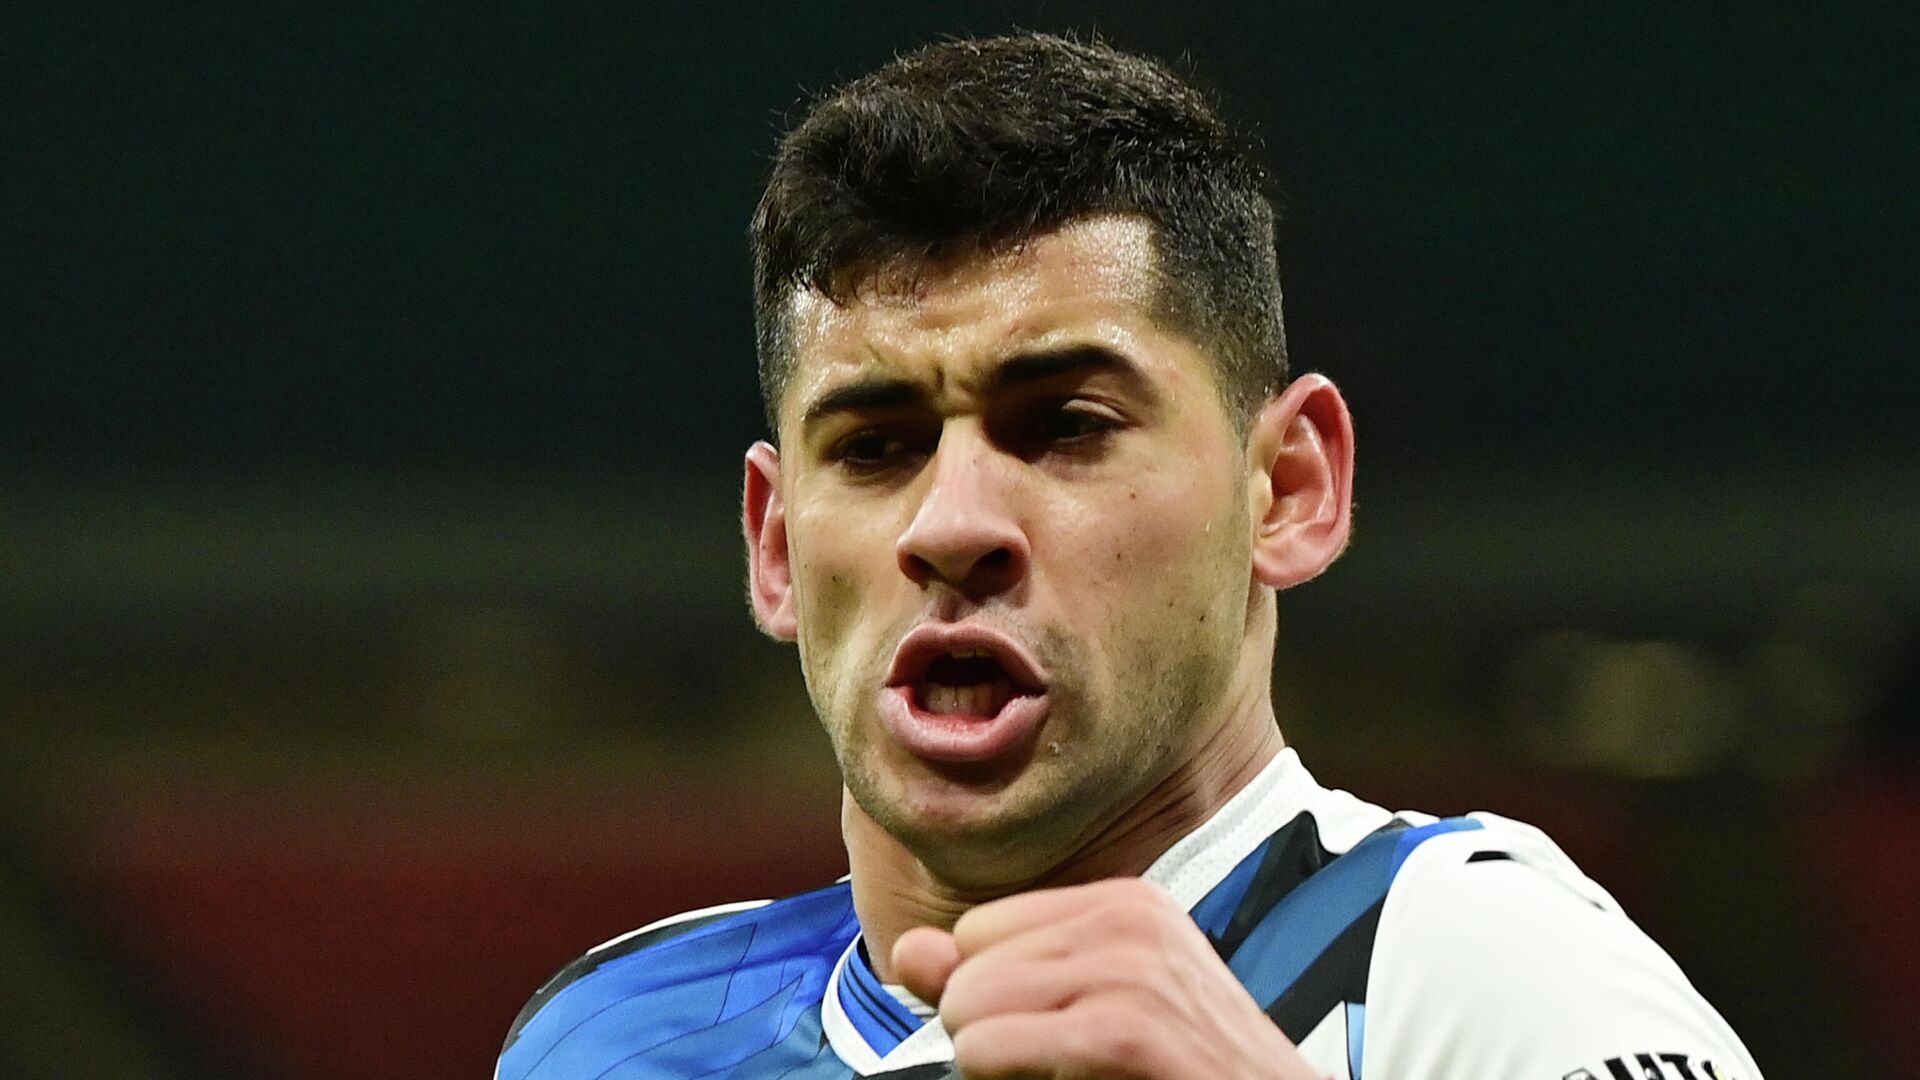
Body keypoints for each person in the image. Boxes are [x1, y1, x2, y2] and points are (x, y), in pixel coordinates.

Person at [497, 32, 1762, 1080]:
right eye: (876, 447)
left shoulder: (1474, 971)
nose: (954, 526)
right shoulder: (610, 1038)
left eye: (1065, 427)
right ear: (775, 549)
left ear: (1291, 488)